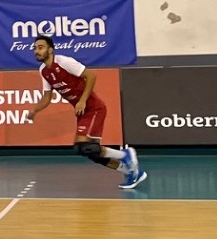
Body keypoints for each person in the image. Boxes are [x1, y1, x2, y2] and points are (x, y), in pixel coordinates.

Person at [24, 36, 145, 189]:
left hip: (94, 108)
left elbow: (91, 76)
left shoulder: (64, 62)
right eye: (35, 48)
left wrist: (82, 101)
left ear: (50, 49)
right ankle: (132, 172)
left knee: (86, 146)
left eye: (40, 47)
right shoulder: (44, 71)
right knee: (89, 152)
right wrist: (34, 111)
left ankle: (125, 155)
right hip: (82, 113)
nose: (36, 51)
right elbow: (47, 97)